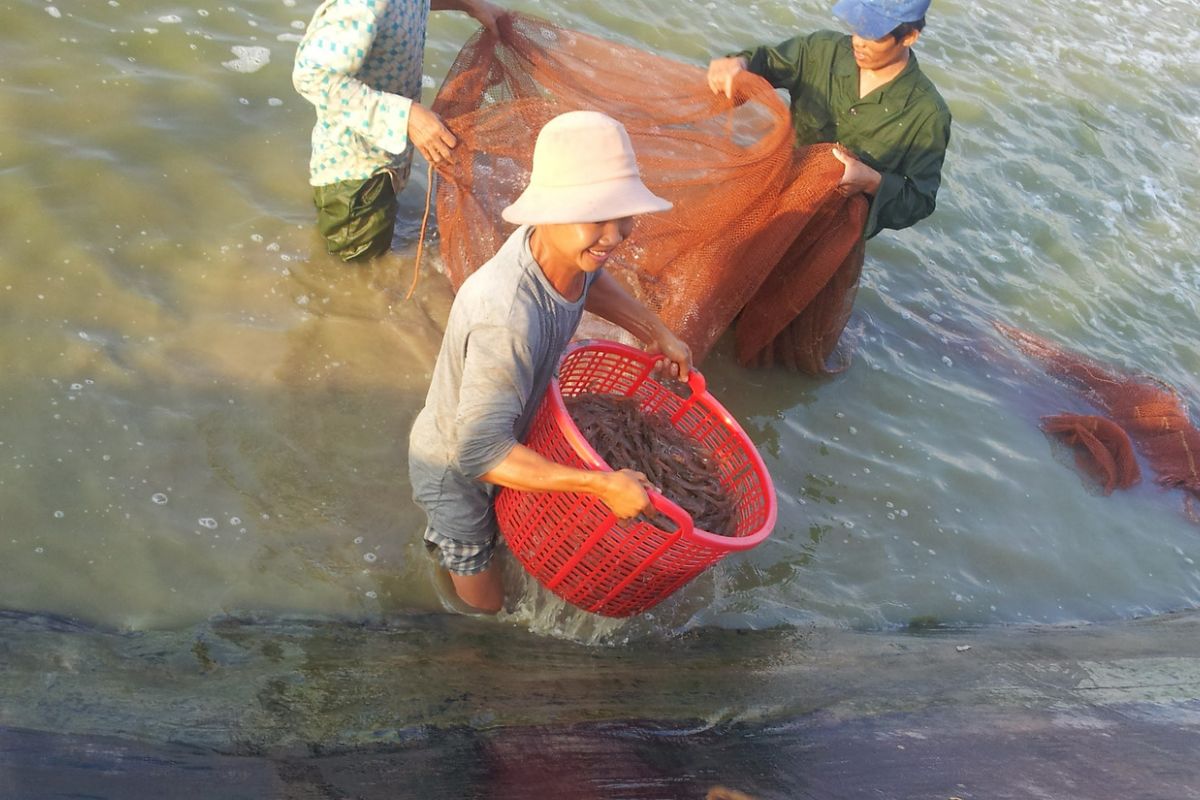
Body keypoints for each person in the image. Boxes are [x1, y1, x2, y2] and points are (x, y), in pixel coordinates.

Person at [408, 111, 693, 614]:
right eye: (596, 215)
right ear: (549, 210)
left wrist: (656, 331)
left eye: (623, 213)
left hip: (505, 433)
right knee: (486, 606)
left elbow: (591, 281)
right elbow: (479, 456)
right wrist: (600, 484)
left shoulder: (558, 253)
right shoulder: (508, 318)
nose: (615, 234)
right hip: (454, 468)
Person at [706, 0, 951, 240]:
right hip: (773, 196)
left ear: (909, 36)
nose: (858, 41)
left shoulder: (927, 114)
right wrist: (739, 63)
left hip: (829, 239)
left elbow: (920, 201)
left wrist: (872, 181)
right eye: (857, 26)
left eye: (873, 34)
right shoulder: (822, 50)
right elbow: (765, 63)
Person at [293, 0, 505, 262]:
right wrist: (405, 116)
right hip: (356, 175)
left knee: (363, 259)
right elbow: (312, 75)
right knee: (356, 273)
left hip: (383, 161)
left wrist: (467, 4)